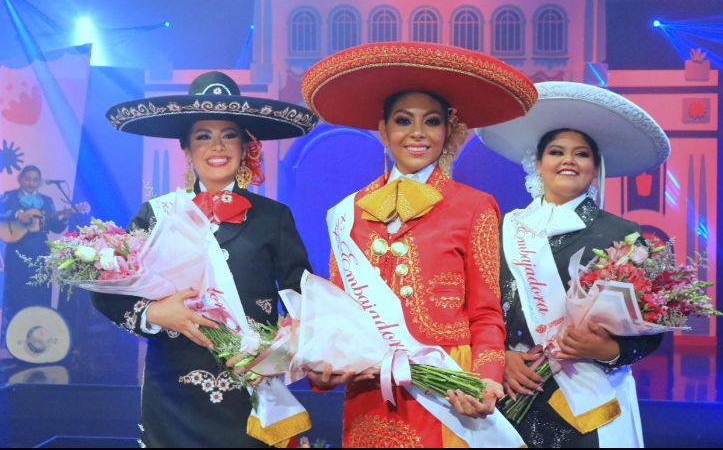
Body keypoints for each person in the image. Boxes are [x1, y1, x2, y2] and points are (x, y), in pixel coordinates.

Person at [300, 42, 538, 447]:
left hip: (448, 390)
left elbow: (485, 312)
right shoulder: (348, 213)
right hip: (370, 391)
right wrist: (322, 368)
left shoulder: (475, 206)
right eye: (403, 120)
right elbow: (339, 314)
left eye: (431, 121)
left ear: (448, 131)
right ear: (383, 130)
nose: (416, 133)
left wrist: (485, 379)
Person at [91, 71, 317, 448]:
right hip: (175, 400)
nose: (218, 146)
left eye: (229, 134)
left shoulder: (273, 218)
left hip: (252, 395)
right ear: (186, 148)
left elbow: (306, 301)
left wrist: (278, 353)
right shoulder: (157, 214)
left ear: (246, 145)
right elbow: (106, 292)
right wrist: (156, 313)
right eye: (203, 136)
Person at [477, 81, 671, 447]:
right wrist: (499, 358)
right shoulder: (503, 228)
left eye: (581, 154)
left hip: (590, 395)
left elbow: (651, 330)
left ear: (595, 167)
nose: (568, 160)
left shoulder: (623, 234)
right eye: (556, 151)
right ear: (537, 162)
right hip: (514, 388)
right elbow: (478, 309)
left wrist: (605, 350)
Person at [1, 165, 71, 342]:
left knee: (40, 290)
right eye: (28, 178)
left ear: (39, 182)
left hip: (40, 250)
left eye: (35, 179)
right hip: (17, 251)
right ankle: (13, 337)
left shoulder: (47, 201)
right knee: (17, 291)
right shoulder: (9, 197)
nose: (31, 182)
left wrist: (63, 218)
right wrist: (18, 215)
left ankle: (39, 337)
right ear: (20, 179)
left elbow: (54, 227)